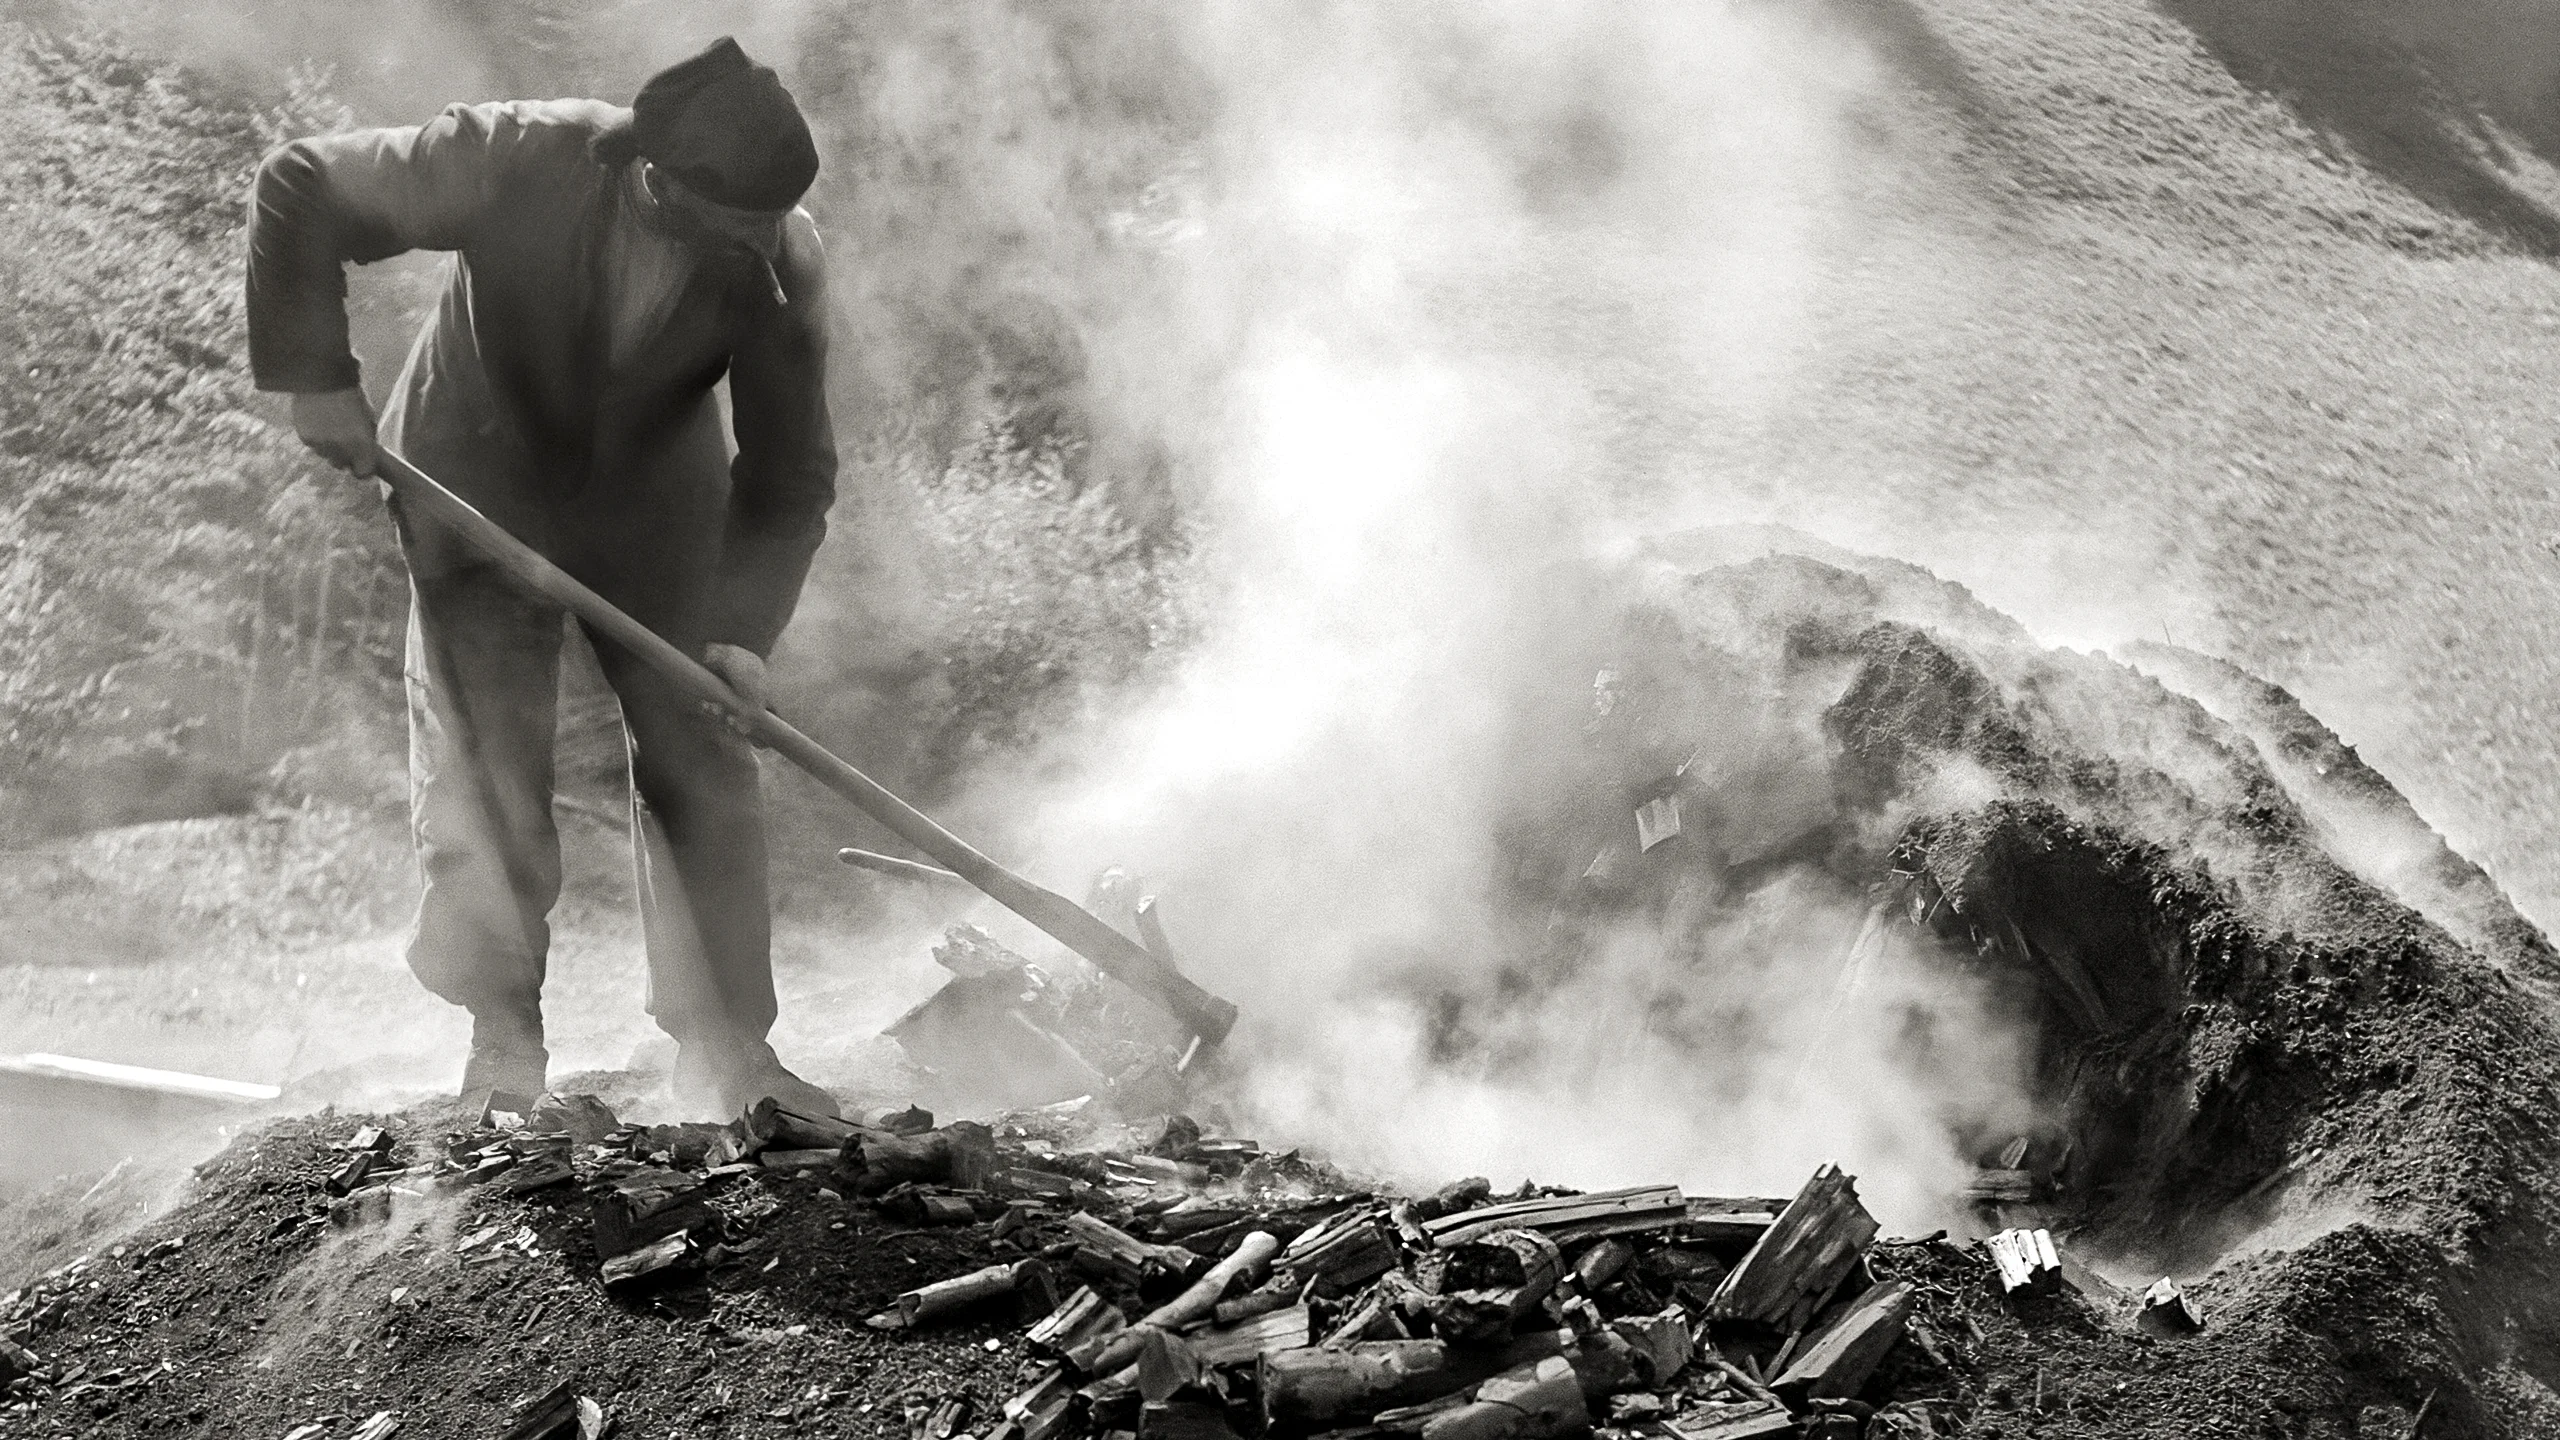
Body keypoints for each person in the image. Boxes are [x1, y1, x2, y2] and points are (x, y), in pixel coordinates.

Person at [245, 37, 842, 1118]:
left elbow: (791, 473)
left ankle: (728, 1051)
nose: (765, 243)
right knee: (487, 758)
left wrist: (742, 633)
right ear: (660, 178)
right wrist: (313, 376)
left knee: (700, 753)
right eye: (743, 220)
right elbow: (302, 183)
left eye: (775, 218)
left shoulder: (779, 261)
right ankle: (504, 1040)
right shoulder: (518, 155)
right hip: (471, 481)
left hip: (658, 513)